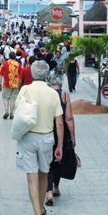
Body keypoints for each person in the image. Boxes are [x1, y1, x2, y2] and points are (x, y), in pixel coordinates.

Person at [14, 61, 64, 215]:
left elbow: (18, 111)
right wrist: (60, 146)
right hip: (47, 138)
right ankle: (41, 208)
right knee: (44, 174)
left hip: (28, 138)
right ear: (47, 75)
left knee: (32, 178)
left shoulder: (25, 89)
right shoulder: (53, 93)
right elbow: (60, 122)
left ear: (33, 73)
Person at [45, 71, 75, 206]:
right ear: (61, 82)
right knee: (58, 159)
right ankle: (56, 187)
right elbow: (69, 118)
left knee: (48, 161)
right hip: (61, 132)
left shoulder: (45, 93)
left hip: (47, 129)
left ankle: (49, 191)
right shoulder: (64, 95)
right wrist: (73, 136)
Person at [0, 51, 22, 120]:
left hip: (6, 84)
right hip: (16, 84)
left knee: (5, 98)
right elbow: (21, 75)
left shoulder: (4, 64)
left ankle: (6, 111)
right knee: (13, 99)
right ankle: (12, 113)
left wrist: (0, 84)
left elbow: (0, 74)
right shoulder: (18, 64)